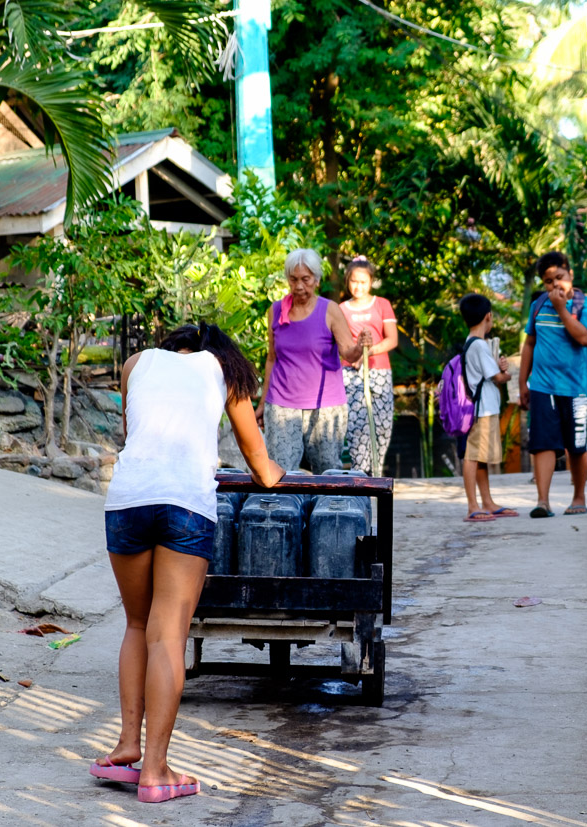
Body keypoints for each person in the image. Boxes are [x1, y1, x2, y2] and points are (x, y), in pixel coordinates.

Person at [94, 323, 284, 803]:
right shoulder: (223, 369)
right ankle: (156, 770)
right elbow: (259, 464)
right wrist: (278, 474)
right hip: (183, 505)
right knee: (169, 636)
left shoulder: (136, 365)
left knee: (137, 624)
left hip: (127, 500)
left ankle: (126, 746)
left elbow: (132, 432)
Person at [255, 249, 372, 473]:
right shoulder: (275, 310)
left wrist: (360, 346)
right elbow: (272, 358)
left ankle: (327, 510)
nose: (299, 286)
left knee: (327, 471)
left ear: (316, 280)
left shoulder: (330, 310)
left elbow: (349, 353)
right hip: (281, 404)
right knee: (281, 472)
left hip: (325, 406)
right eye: (294, 279)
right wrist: (262, 403)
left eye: (305, 280)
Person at [518, 251, 587, 518]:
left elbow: (586, 338)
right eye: (548, 281)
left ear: (570, 275)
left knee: (577, 446)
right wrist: (523, 383)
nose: (555, 285)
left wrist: (563, 309)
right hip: (542, 386)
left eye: (560, 278)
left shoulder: (586, 305)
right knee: (542, 444)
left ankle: (579, 498)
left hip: (577, 389)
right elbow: (529, 343)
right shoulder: (538, 305)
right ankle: (543, 502)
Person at [458, 293, 517, 522]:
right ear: (488, 317)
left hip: (484, 409)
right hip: (481, 411)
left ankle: (487, 501)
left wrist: (499, 368)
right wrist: (506, 373)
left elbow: (491, 372)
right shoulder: (479, 345)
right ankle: (473, 505)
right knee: (472, 456)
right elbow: (497, 378)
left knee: (480, 457)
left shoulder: (472, 344)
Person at [339, 256, 398, 475]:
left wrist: (369, 352)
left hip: (379, 372)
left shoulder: (382, 304)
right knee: (356, 428)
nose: (359, 286)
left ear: (371, 281)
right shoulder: (341, 309)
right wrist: (356, 356)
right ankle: (360, 476)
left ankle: (376, 473)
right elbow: (341, 343)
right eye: (354, 281)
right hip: (351, 373)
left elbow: (392, 339)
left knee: (381, 427)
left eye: (364, 282)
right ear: (348, 281)